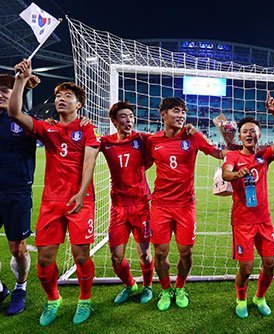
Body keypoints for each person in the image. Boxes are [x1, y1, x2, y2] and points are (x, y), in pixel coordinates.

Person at [9, 59, 101, 326]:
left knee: (81, 256)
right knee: (45, 260)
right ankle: (53, 300)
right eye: (58, 96)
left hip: (80, 201)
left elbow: (89, 162)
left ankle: (85, 300)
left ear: (79, 104)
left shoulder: (86, 128)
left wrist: (82, 193)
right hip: (52, 201)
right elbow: (15, 113)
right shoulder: (47, 127)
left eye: (68, 96)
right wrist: (21, 80)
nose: (61, 99)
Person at [147, 97, 225, 311]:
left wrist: (231, 141)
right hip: (161, 205)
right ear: (163, 113)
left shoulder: (193, 136)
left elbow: (217, 153)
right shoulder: (152, 140)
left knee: (186, 252)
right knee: (160, 252)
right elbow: (140, 165)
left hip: (185, 205)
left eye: (183, 112)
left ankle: (180, 287)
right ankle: (165, 289)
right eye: (175, 111)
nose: (181, 115)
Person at [222, 92, 274, 318]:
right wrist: (237, 174)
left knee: (270, 264)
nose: (249, 133)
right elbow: (226, 174)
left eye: (253, 130)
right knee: (246, 268)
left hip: (264, 221)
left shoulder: (264, 156)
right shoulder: (233, 156)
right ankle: (241, 299)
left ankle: (260, 297)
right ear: (239, 136)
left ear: (259, 134)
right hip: (242, 222)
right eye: (245, 131)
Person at [100, 101, 154, 305]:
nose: (128, 120)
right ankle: (130, 284)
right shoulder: (105, 142)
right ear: (114, 120)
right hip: (118, 208)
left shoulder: (142, 139)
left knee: (145, 255)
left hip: (141, 206)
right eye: (123, 116)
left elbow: (165, 139)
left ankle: (148, 286)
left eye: (131, 116)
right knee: (116, 256)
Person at [0, 73, 39, 315]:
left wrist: (23, 82)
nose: (1, 94)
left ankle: (20, 287)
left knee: (18, 249)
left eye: (6, 90)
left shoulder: (24, 122)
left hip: (17, 193)